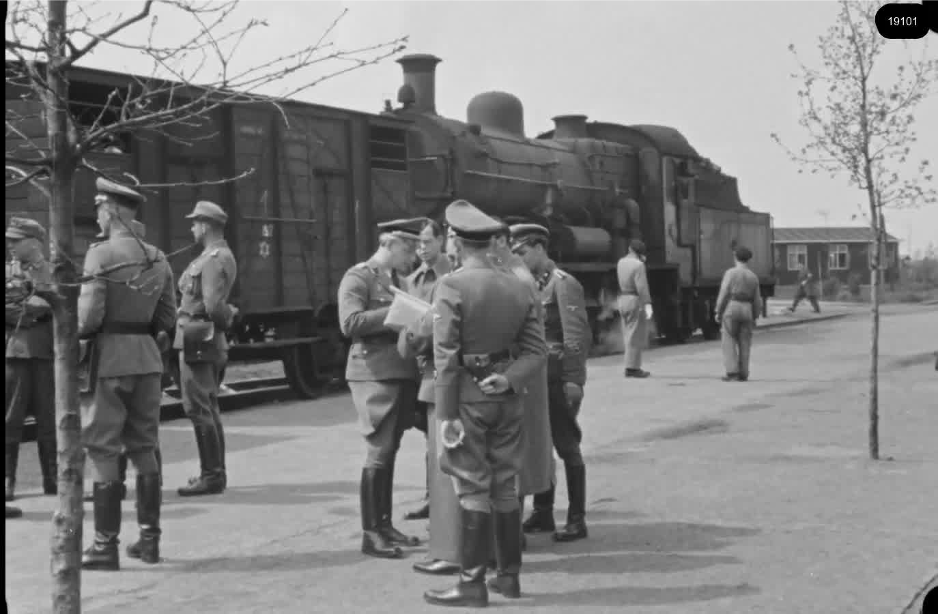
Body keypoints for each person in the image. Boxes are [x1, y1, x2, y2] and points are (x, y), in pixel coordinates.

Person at [423, 200, 547, 607]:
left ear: (457, 242)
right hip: (506, 398)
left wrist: (445, 416)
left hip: (468, 403)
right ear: (491, 243)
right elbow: (536, 351)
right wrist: (509, 379)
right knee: (505, 485)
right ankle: (508, 578)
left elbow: (445, 356)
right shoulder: (519, 284)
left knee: (472, 487)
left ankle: (472, 583)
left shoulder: (452, 286)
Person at [79, 178, 177, 570]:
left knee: (103, 447)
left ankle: (105, 545)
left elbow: (89, 318)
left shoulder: (100, 256)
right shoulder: (158, 257)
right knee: (144, 446)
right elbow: (168, 316)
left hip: (109, 361)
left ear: (112, 210)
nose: (97, 217)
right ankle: (149, 542)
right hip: (147, 360)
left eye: (100, 209)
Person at [338, 217, 424, 559]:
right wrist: (395, 311)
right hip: (372, 373)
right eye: (407, 248)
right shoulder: (358, 276)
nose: (413, 256)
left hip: (397, 372)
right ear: (387, 244)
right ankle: (371, 533)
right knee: (378, 451)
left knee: (390, 450)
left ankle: (385, 524)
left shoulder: (394, 279)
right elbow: (350, 323)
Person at [510, 223, 591, 542]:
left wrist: (574, 379)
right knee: (538, 445)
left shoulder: (563, 284)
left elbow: (575, 337)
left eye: (523, 252)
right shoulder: (525, 283)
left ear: (540, 248)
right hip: (535, 378)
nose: (519, 258)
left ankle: (576, 518)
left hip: (557, 377)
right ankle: (543, 513)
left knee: (566, 445)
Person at [488, 224, 553, 541]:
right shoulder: (520, 277)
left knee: (512, 454)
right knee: (519, 453)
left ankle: (510, 534)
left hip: (516, 376)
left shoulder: (516, 280)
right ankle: (512, 531)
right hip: (525, 375)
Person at [174, 201, 238, 497]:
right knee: (208, 407)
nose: (191, 227)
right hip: (201, 336)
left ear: (206, 225)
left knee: (198, 407)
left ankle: (211, 475)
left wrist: (227, 321)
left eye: (195, 222)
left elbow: (212, 305)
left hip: (198, 337)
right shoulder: (214, 256)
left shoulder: (214, 258)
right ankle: (215, 473)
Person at [402, 218, 450, 523]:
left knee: (444, 437)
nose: (421, 248)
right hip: (418, 368)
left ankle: (445, 500)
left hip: (439, 367)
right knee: (428, 438)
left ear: (441, 241)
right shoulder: (413, 279)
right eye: (417, 243)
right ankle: (433, 497)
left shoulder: (450, 276)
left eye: (427, 241)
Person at [5, 217, 56, 503]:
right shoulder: (6, 271)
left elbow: (67, 309)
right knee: (10, 418)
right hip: (15, 352)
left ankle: (53, 479)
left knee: (50, 418)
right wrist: (36, 311)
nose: (10, 245)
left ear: (35, 242)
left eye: (16, 240)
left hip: (48, 355)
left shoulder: (55, 271)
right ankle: (7, 480)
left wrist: (45, 308)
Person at [716, 246, 763, 382]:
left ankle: (732, 372)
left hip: (732, 307)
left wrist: (718, 310)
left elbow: (724, 293)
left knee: (728, 339)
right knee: (745, 342)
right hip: (747, 309)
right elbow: (757, 300)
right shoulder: (753, 276)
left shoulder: (730, 273)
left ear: (735, 257)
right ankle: (744, 373)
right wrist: (755, 315)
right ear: (748, 260)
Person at [616, 239, 653, 378]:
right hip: (633, 300)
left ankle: (630, 365)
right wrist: (647, 304)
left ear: (630, 249)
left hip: (622, 299)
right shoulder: (638, 265)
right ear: (640, 253)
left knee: (627, 334)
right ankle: (632, 368)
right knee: (635, 335)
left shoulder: (621, 262)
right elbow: (642, 287)